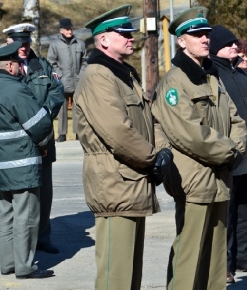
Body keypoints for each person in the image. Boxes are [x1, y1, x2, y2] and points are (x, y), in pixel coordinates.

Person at [74, 5, 173, 290]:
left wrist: (163, 150)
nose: (132, 38)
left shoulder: (123, 75)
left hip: (131, 180)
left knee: (130, 274)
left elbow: (150, 117)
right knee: (115, 277)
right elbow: (117, 132)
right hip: (114, 181)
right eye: (124, 33)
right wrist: (153, 159)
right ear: (104, 39)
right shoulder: (97, 76)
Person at [151, 8, 247, 290]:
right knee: (190, 253)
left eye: (206, 33)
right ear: (181, 41)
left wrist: (235, 150)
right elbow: (190, 133)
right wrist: (231, 153)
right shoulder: (174, 82)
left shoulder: (212, 76)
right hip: (195, 179)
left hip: (221, 177)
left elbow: (236, 119)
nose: (205, 39)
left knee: (216, 256)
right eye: (197, 35)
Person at [0, 40, 55, 279]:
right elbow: (39, 126)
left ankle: (8, 263)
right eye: (18, 65)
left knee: (6, 214)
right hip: (22, 164)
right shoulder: (16, 89)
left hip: (0, 166)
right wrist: (43, 145)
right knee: (27, 216)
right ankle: (25, 265)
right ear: (10, 66)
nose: (21, 69)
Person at [3, 23, 64, 254]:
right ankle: (19, 240)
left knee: (44, 192)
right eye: (20, 44)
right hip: (18, 139)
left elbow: (57, 91)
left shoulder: (43, 66)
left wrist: (44, 114)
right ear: (11, 43)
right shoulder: (3, 68)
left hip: (43, 138)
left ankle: (42, 237)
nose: (24, 48)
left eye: (27, 43)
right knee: (20, 193)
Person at [209, 26, 247, 283]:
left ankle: (244, 257)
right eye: (229, 45)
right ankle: (224, 265)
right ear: (215, 48)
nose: (234, 48)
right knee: (227, 214)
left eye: (236, 45)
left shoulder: (242, 74)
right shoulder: (213, 75)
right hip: (231, 156)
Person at [47, 18, 87, 142]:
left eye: (71, 28)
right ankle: (62, 133)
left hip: (77, 80)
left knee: (78, 108)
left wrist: (81, 74)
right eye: (67, 29)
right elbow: (51, 61)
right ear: (61, 30)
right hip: (62, 80)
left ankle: (77, 133)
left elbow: (85, 61)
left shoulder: (80, 43)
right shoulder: (55, 44)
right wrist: (59, 75)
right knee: (61, 108)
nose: (70, 31)